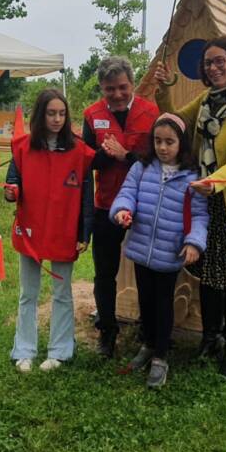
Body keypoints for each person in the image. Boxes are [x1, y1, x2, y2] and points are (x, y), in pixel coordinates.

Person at [152, 35, 226, 379]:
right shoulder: (205, 100)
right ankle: (210, 337)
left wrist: (214, 182)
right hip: (205, 203)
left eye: (220, 61)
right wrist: (163, 89)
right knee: (208, 276)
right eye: (209, 63)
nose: (214, 67)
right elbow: (176, 121)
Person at [110, 113, 210, 389]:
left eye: (169, 142)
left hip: (169, 253)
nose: (162, 147)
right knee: (145, 301)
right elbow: (127, 193)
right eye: (157, 141)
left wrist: (194, 242)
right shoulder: (142, 168)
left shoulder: (192, 177)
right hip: (142, 249)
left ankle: (161, 356)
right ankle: (148, 344)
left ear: (182, 144)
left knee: (163, 304)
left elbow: (201, 215)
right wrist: (122, 211)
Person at [5, 88, 95, 372]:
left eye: (61, 113)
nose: (57, 119)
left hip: (63, 231)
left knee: (61, 292)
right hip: (31, 231)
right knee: (28, 293)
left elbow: (87, 196)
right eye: (51, 113)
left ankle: (60, 351)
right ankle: (24, 350)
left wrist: (84, 233)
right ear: (40, 115)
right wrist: (11, 191)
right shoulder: (22, 147)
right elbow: (12, 179)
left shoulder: (79, 151)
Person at [82, 56, 157, 358]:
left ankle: (148, 331)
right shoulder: (91, 115)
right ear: (102, 87)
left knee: (148, 272)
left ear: (132, 83)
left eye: (122, 87)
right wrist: (104, 152)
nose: (116, 94)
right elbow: (87, 161)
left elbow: (156, 160)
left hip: (144, 204)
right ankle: (107, 330)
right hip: (106, 205)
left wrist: (125, 154)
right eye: (109, 88)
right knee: (104, 273)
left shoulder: (151, 113)